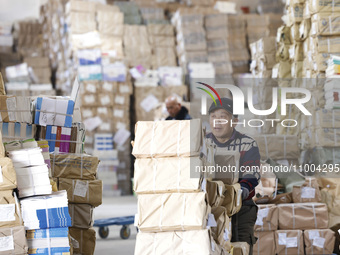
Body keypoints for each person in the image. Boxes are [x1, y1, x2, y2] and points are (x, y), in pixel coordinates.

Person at [206, 97, 261, 253]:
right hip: (209, 207)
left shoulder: (247, 143)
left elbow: (252, 173)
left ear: (234, 121)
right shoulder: (202, 143)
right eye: (213, 116)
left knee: (240, 247)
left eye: (223, 117)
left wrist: (239, 191)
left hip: (241, 208)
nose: (217, 121)